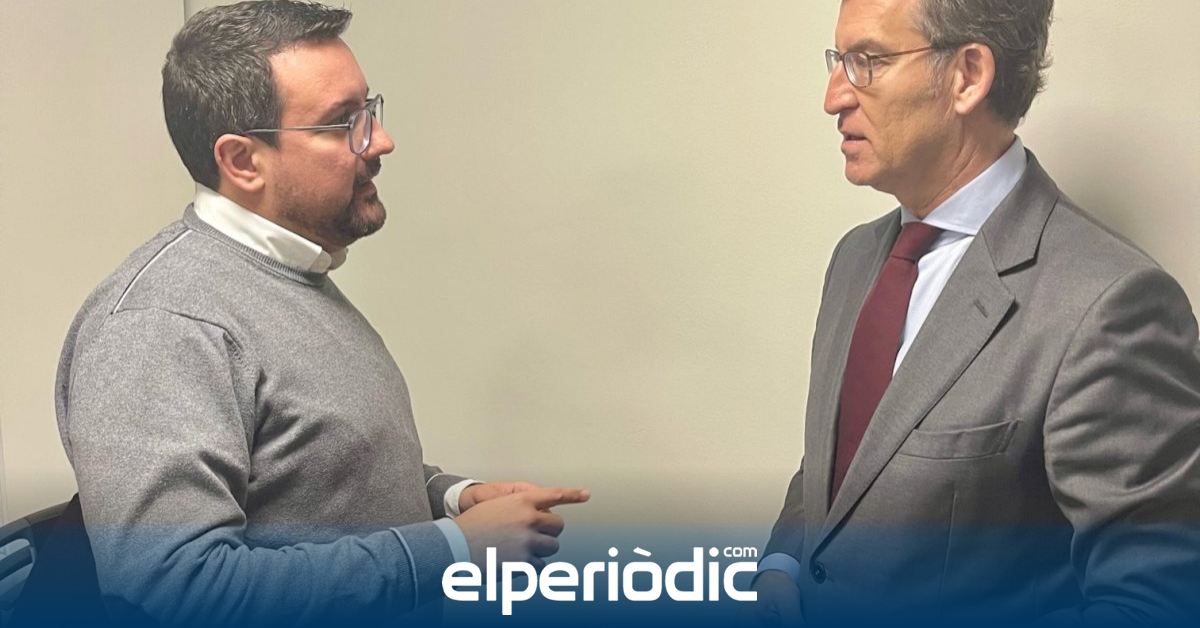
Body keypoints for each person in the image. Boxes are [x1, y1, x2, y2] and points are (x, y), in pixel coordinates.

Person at [50, 1, 587, 625]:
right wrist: (452, 550)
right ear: (242, 161)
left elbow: (313, 470)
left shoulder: (291, 279)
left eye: (370, 110)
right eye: (343, 123)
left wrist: (450, 499)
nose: (380, 140)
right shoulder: (163, 325)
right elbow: (181, 588)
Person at [748, 0, 1200, 624]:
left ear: (967, 76)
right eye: (838, 61)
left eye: (867, 62)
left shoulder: (1109, 306)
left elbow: (1155, 604)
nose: (834, 98)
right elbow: (845, 472)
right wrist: (782, 565)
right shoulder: (854, 262)